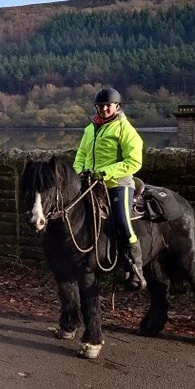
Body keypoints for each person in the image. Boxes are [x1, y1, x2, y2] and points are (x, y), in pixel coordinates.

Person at [72, 87, 146, 290]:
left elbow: (134, 161)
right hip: (90, 183)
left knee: (122, 222)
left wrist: (105, 173)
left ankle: (135, 269)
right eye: (101, 106)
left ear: (117, 106)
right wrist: (79, 171)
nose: (104, 109)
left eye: (108, 105)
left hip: (117, 184)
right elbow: (81, 155)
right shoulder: (89, 129)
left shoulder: (125, 128)